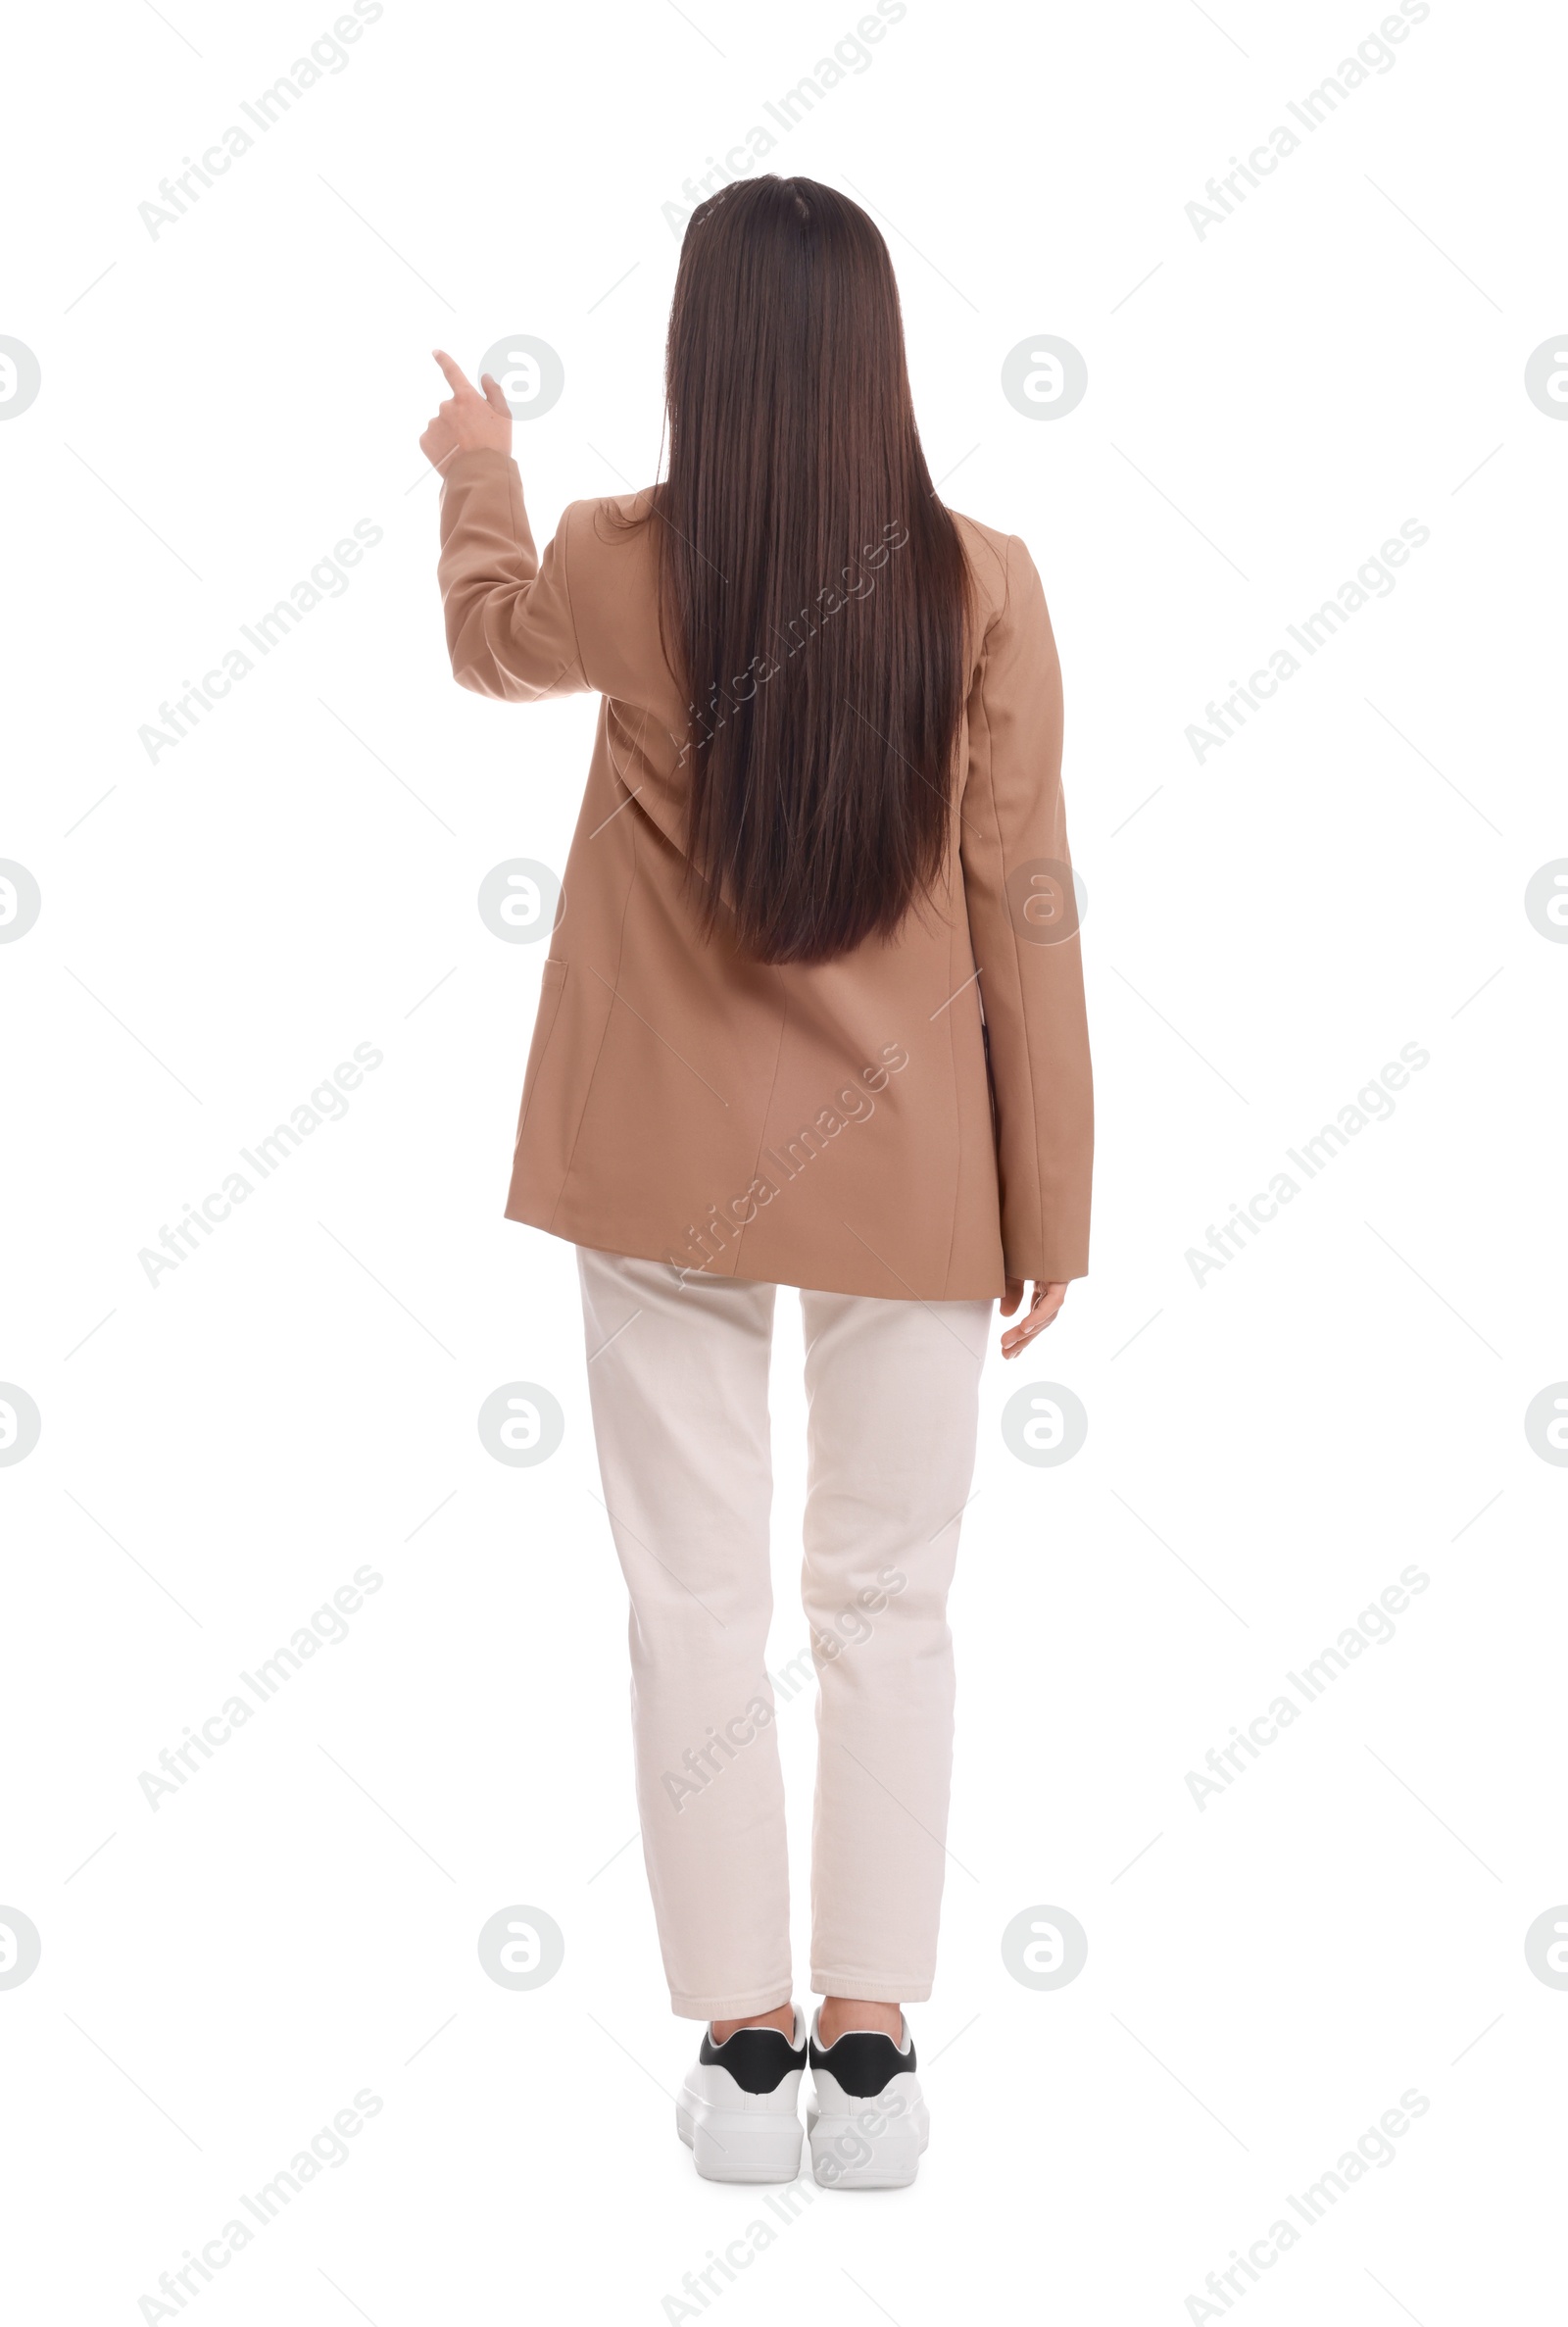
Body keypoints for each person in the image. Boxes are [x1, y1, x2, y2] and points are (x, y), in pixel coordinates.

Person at [420, 174, 1092, 2190]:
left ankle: (736, 2045)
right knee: (892, 1598)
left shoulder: (623, 564)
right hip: (906, 1172)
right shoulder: (982, 583)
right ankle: (871, 2053)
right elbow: (1024, 907)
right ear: (873, 352)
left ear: (697, 355)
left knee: (691, 1598)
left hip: (662, 1178)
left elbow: (481, 643)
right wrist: (1043, 1203)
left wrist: (479, 469)